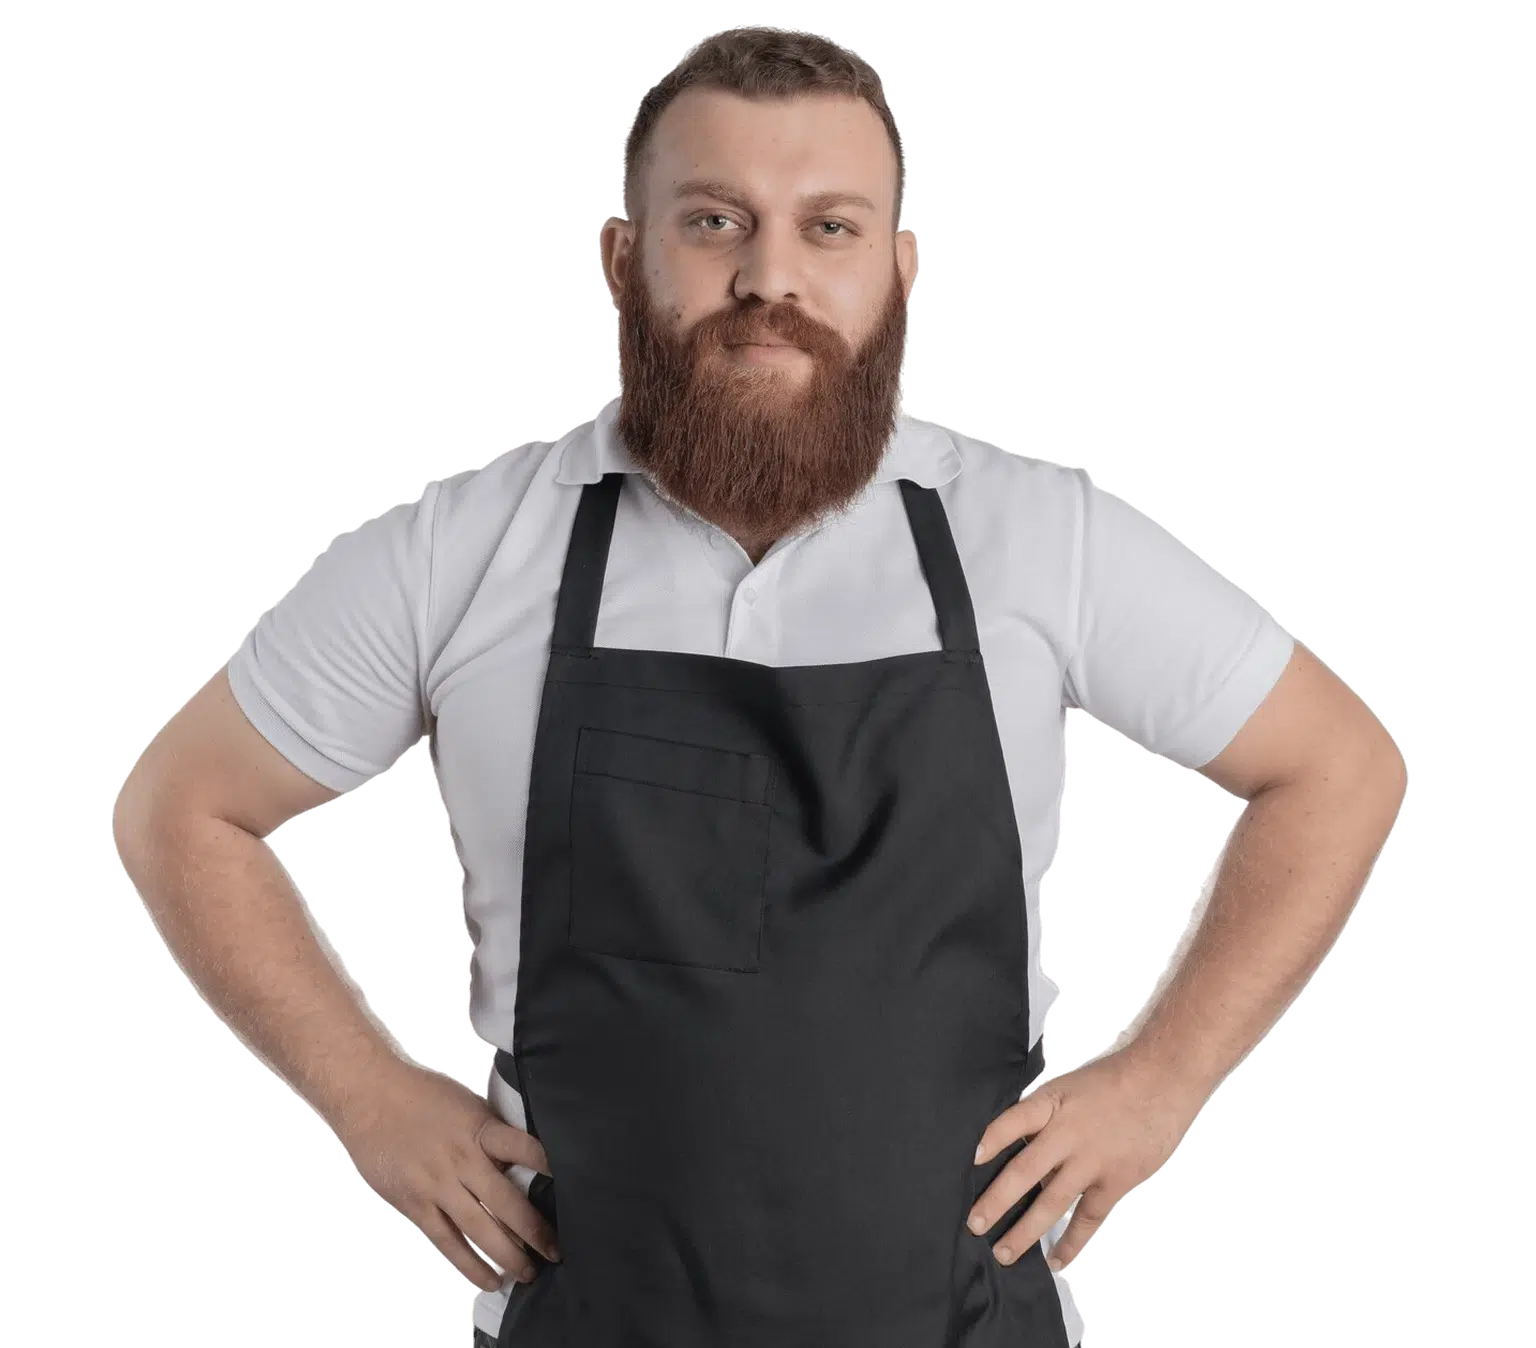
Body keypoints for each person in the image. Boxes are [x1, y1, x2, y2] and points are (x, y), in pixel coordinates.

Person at [111, 25, 1408, 1348]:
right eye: (715, 220)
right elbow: (180, 806)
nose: (769, 276)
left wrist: (1165, 1081)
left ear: (902, 272)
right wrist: (367, 1099)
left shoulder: (1037, 535)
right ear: (623, 258)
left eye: (830, 228)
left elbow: (1340, 766)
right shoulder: (462, 550)